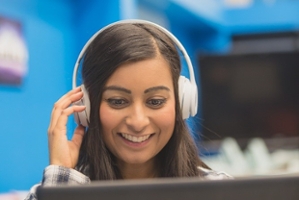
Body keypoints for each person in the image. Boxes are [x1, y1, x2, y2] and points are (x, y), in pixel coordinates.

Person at [25, 19, 231, 200]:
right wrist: (63, 182)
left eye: (156, 101)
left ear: (182, 103)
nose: (138, 122)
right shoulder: (51, 191)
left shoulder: (221, 192)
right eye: (117, 101)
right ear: (87, 107)